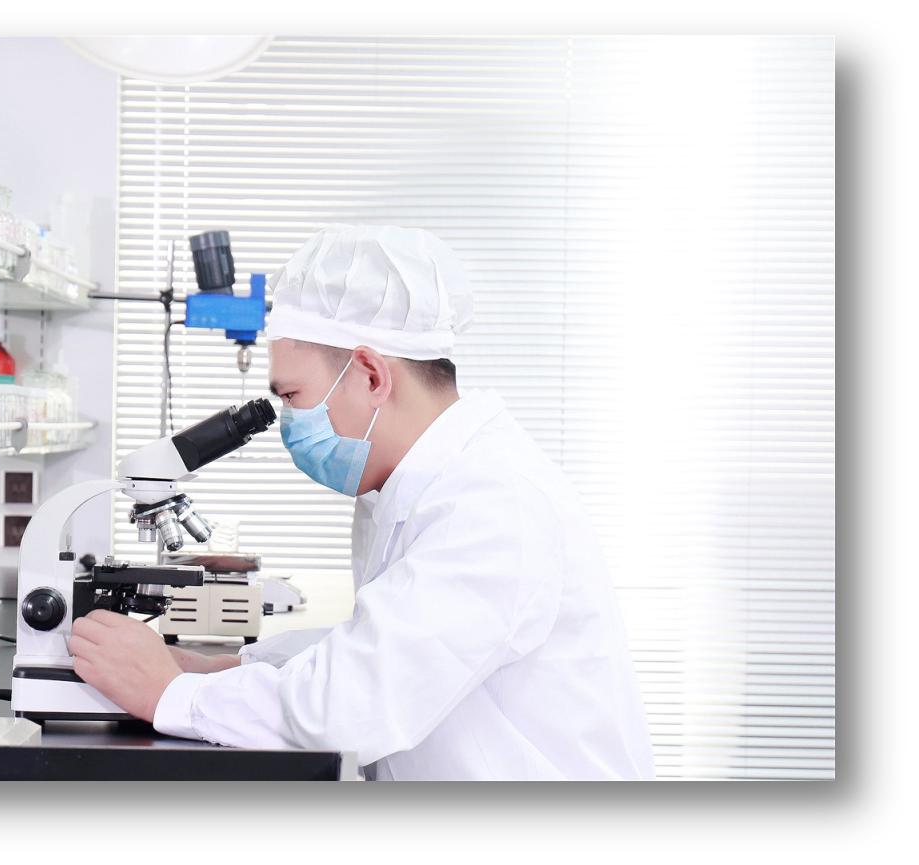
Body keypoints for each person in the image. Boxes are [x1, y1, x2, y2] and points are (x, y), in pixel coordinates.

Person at [68, 224, 656, 780]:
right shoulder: (428, 486)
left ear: (372, 375)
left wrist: (171, 695)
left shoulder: (492, 505)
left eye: (292, 396)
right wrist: (228, 667)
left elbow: (348, 707)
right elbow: (377, 644)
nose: (289, 423)